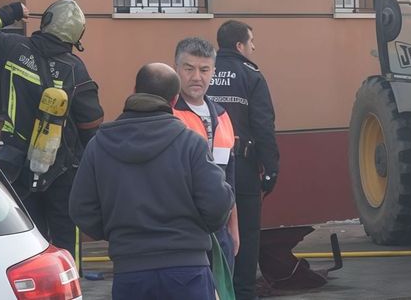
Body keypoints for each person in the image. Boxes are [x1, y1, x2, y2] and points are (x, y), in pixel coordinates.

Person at [71, 63, 235, 300]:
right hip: (188, 270)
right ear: (174, 100)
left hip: (130, 270)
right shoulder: (191, 143)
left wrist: (118, 232)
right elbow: (218, 204)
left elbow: (81, 208)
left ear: (135, 89)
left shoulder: (99, 145)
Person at [0, 0, 104, 258]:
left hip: (15, 169)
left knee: (26, 244)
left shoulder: (12, 48)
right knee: (67, 248)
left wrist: (12, 11)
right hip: (63, 174)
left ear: (47, 21)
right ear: (76, 36)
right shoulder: (76, 72)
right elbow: (92, 129)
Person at [206, 20, 279, 300]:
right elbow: (264, 125)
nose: (254, 47)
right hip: (243, 167)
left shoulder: (203, 71)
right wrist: (271, 169)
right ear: (239, 46)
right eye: (251, 42)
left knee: (208, 233)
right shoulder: (251, 75)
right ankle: (243, 293)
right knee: (246, 236)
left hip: (204, 169)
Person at [173, 37, 239, 276]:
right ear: (176, 69)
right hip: (182, 231)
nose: (196, 77)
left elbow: (229, 179)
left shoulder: (222, 116)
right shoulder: (167, 115)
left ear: (213, 71)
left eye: (204, 69)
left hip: (220, 231)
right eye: (189, 69)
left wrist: (234, 227)